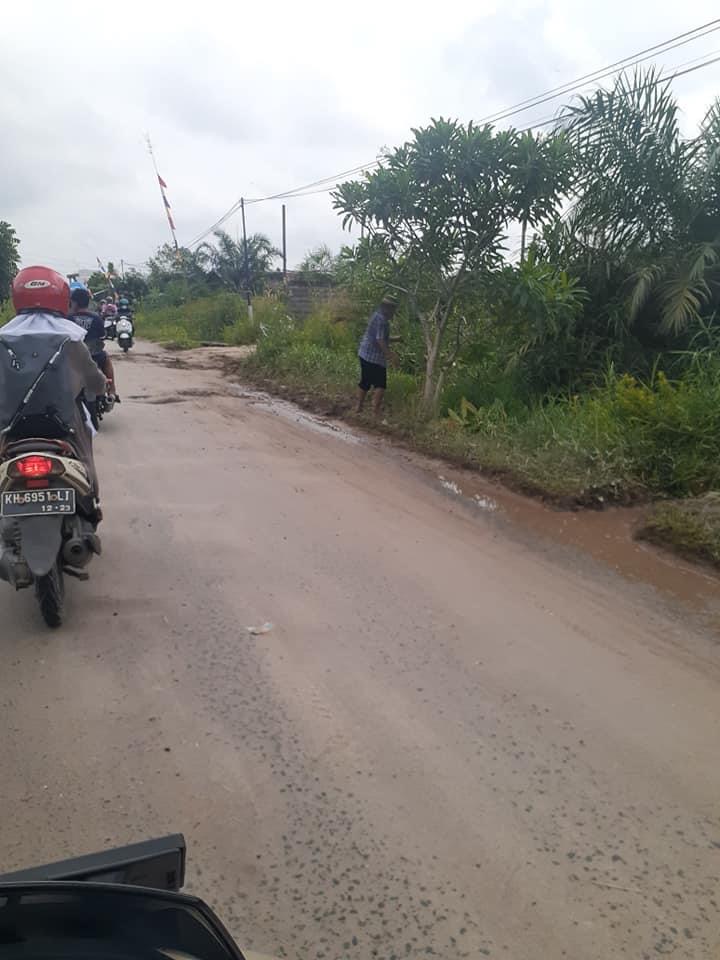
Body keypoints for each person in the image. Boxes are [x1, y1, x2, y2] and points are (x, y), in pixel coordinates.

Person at [1, 266, 107, 500]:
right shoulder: (70, 339)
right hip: (63, 425)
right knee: (85, 456)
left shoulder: (3, 339)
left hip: (11, 427)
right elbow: (95, 380)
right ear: (61, 298)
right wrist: (101, 387)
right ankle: (92, 501)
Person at [68, 284, 119, 400]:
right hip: (94, 356)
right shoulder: (96, 318)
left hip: (73, 358)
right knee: (107, 361)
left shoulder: (68, 319)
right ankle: (112, 390)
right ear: (88, 302)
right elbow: (102, 335)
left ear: (74, 302)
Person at [356, 294, 398, 416]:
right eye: (393, 309)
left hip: (364, 353)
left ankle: (358, 408)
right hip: (374, 357)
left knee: (365, 381)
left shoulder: (376, 315)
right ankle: (375, 411)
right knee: (381, 384)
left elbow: (380, 337)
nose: (394, 312)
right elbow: (380, 340)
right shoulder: (382, 321)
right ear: (387, 308)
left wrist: (395, 339)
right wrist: (391, 356)